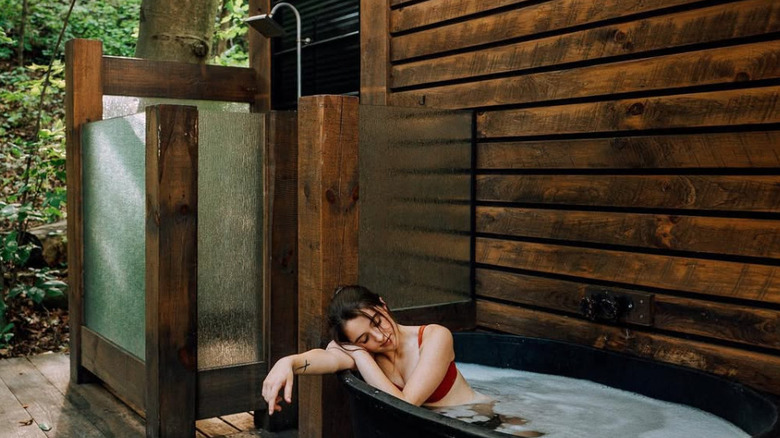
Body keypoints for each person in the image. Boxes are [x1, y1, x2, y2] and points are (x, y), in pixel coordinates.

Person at [262, 285, 489, 415]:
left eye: (377, 321)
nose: (381, 337)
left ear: (382, 304)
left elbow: (405, 405)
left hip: (481, 420)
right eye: (364, 338)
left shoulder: (435, 337)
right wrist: (288, 363)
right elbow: (328, 357)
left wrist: (359, 354)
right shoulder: (368, 354)